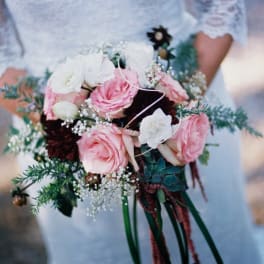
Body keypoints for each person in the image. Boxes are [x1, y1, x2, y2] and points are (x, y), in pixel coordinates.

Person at [0, 0, 261, 263]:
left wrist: (175, 107)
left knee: (210, 243)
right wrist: (67, 129)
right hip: (64, 141)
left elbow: (223, 7)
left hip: (184, 110)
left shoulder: (181, 110)